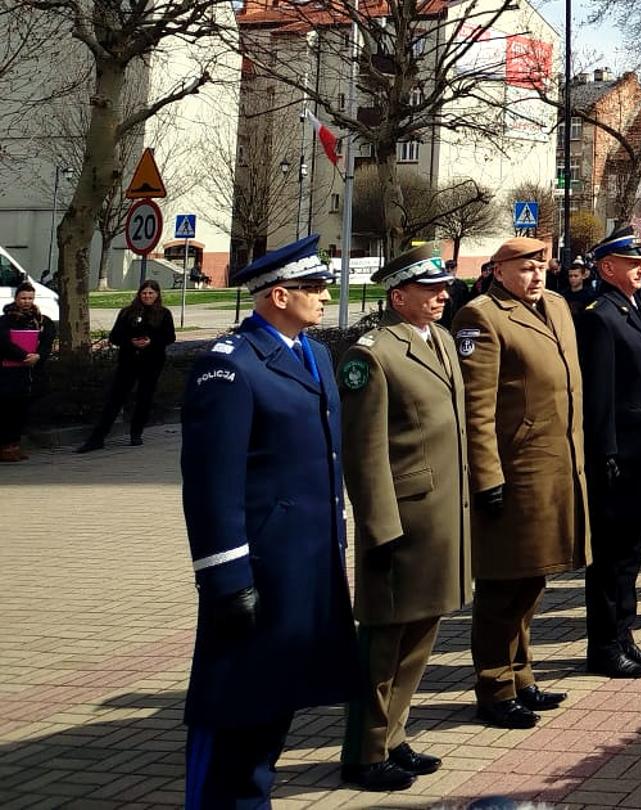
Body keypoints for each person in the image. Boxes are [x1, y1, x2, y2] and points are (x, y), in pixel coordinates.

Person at [177, 235, 358, 807]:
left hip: (304, 564)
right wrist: (226, 581)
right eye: (314, 287)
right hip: (256, 571)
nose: (325, 296)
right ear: (279, 295)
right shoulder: (230, 368)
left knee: (275, 707)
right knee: (235, 715)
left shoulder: (316, 354)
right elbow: (211, 485)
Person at [335, 245, 470, 792]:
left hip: (440, 518)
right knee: (384, 643)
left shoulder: (437, 340)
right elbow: (365, 454)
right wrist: (380, 529)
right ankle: (365, 752)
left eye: (444, 288)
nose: (443, 296)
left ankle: (394, 736)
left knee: (422, 630)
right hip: (403, 523)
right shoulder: (372, 354)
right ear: (398, 296)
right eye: (431, 289)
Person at [453, 237, 589, 729]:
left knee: (533, 579)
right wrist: (487, 477)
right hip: (516, 471)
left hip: (557, 466)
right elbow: (477, 408)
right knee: (501, 585)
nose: (537, 275)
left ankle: (522, 677)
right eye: (526, 268)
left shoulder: (556, 305)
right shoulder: (482, 317)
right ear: (500, 270)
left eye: (541, 266)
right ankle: (493, 687)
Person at [576, 226, 641, 677]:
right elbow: (599, 397)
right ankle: (603, 646)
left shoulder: (639, 310)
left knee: (631, 553)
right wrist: (606, 454)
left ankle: (624, 635)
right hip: (621, 458)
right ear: (607, 268)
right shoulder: (600, 316)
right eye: (632, 263)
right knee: (611, 559)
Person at [78, 279, 175, 452]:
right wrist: (131, 342)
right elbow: (115, 337)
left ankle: (136, 433)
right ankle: (98, 438)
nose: (147, 296)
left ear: (157, 295)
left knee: (144, 397)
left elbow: (169, 337)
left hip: (152, 362)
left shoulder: (164, 314)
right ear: (139, 294)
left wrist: (151, 342)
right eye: (144, 293)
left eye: (151, 293)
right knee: (116, 398)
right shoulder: (127, 313)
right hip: (129, 361)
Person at [0, 285, 56, 462]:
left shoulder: (41, 321)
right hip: (9, 370)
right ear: (16, 298)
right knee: (7, 409)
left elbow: (47, 342)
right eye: (23, 298)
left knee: (21, 409)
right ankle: (5, 446)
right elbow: (3, 343)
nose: (27, 302)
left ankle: (15, 445)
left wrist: (38, 356)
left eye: (30, 298)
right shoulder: (5, 320)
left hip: (31, 371)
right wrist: (24, 356)